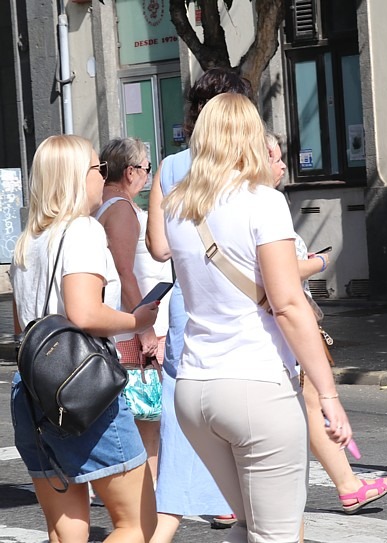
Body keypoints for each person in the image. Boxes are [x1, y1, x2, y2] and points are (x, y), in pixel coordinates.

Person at [163, 92, 351, 542]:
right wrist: (328, 395)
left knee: (246, 526)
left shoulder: (178, 208)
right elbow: (287, 303)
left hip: (194, 388)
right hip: (255, 383)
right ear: (249, 137)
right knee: (276, 533)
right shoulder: (262, 202)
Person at [10, 134, 159, 543]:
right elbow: (83, 313)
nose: (103, 176)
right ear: (78, 177)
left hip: (33, 388)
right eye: (98, 168)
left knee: (65, 530)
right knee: (138, 524)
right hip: (82, 389)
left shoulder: (27, 241)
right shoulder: (82, 231)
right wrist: (135, 319)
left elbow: (26, 326)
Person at [146, 67, 249, 542]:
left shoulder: (169, 167)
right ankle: (234, 506)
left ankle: (186, 507)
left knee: (185, 412)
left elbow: (159, 248)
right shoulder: (245, 165)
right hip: (245, 305)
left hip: (190, 303)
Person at [267, 133, 387, 514]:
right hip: (283, 325)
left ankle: (348, 484)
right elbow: (284, 273)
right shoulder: (265, 203)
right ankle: (348, 485)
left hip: (270, 329)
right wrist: (320, 263)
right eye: (273, 156)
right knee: (311, 405)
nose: (282, 165)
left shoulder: (239, 203)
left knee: (306, 407)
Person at [96, 137, 172, 483]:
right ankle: (150, 494)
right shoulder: (123, 211)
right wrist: (144, 328)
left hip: (116, 325)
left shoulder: (96, 207)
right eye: (145, 169)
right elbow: (125, 272)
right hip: (132, 328)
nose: (147, 176)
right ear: (129, 172)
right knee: (149, 423)